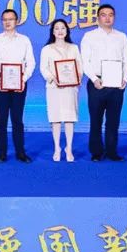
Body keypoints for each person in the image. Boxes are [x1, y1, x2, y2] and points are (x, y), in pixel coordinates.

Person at [80, 4, 127, 162]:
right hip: (97, 83)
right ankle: (96, 152)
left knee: (113, 120)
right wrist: (94, 79)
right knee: (96, 120)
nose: (107, 18)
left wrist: (125, 78)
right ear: (98, 18)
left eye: (111, 15)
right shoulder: (89, 36)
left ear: (114, 17)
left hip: (117, 84)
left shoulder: (121, 37)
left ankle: (112, 151)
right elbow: (85, 61)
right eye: (104, 15)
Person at [0, 9, 35, 163]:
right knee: (1, 118)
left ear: (17, 21)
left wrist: (23, 79)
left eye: (11, 19)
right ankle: (2, 153)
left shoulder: (24, 40)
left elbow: (31, 62)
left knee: (17, 119)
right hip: (0, 82)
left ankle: (20, 152)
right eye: (5, 19)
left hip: (19, 83)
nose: (7, 22)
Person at [39, 19, 83, 163]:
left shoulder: (74, 48)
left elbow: (79, 66)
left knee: (70, 118)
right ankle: (57, 147)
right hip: (54, 88)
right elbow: (43, 68)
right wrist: (53, 78)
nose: (60, 31)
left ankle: (69, 148)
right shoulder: (47, 49)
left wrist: (78, 77)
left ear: (67, 31)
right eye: (56, 28)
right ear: (52, 31)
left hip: (70, 88)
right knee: (56, 118)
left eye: (63, 28)